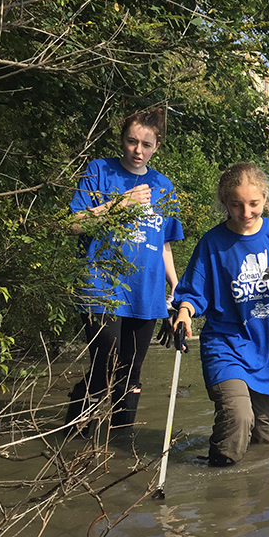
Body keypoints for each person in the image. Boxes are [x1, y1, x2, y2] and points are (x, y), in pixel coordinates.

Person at [173, 162, 269, 466]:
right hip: (226, 345)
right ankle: (220, 489)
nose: (246, 212)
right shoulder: (213, 243)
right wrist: (184, 312)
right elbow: (193, 291)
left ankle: (259, 499)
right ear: (224, 201)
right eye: (237, 204)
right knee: (238, 417)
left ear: (265, 199)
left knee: (264, 439)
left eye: (254, 204)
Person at [65, 107, 184, 434]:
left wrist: (176, 287)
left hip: (146, 292)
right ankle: (74, 437)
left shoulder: (164, 186)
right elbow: (72, 224)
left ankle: (118, 451)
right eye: (132, 141)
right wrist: (118, 205)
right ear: (122, 140)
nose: (138, 150)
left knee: (131, 374)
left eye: (146, 144)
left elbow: (163, 245)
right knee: (105, 365)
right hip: (101, 287)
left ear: (156, 146)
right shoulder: (99, 171)